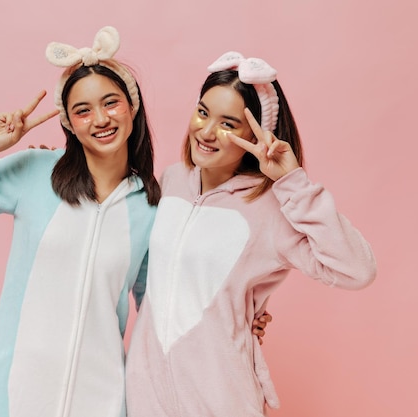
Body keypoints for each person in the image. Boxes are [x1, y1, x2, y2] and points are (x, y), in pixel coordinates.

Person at [0, 26, 161, 417]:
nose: (100, 119)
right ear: (69, 123)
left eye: (111, 103)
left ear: (132, 106)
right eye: (83, 110)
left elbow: (159, 311)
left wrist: (242, 316)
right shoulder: (36, 172)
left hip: (102, 404)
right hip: (12, 400)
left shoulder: (150, 204)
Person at [124, 51, 377, 417]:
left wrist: (294, 184)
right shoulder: (172, 181)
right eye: (203, 112)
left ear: (256, 133)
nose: (207, 132)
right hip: (146, 396)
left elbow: (357, 269)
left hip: (222, 400)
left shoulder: (271, 207)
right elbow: (152, 273)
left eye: (228, 124)